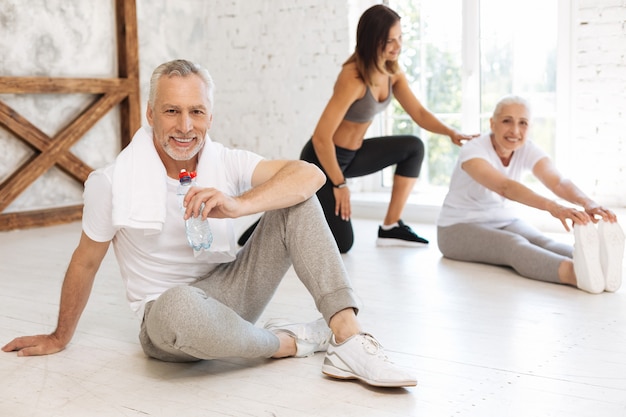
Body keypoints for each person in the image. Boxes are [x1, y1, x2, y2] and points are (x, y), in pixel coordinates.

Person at [2, 59, 417, 388]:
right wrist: (59, 336)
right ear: (150, 114)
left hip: (233, 289)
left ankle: (348, 337)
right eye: (172, 111)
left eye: (196, 112)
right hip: (168, 318)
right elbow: (85, 262)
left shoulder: (227, 161)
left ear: (210, 117)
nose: (185, 126)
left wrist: (238, 205)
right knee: (178, 305)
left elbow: (311, 174)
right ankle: (289, 343)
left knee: (298, 198)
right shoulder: (110, 183)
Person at [297, 4, 478, 253]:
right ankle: (289, 219)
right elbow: (320, 138)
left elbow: (420, 113)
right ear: (372, 41)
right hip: (322, 160)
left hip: (353, 156)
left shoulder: (391, 71)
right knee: (342, 244)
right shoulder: (353, 78)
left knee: (413, 147)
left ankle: (391, 226)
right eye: (389, 40)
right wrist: (339, 185)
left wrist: (451, 133)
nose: (398, 46)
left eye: (400, 37)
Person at [437, 95, 624, 294]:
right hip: (457, 229)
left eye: (523, 123)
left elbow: (558, 181)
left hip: (505, 221)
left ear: (530, 127)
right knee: (513, 245)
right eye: (507, 121)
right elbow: (505, 187)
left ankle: (600, 267)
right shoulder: (473, 150)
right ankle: (576, 275)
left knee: (543, 241)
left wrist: (588, 203)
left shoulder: (526, 148)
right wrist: (554, 207)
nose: (515, 131)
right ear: (492, 123)